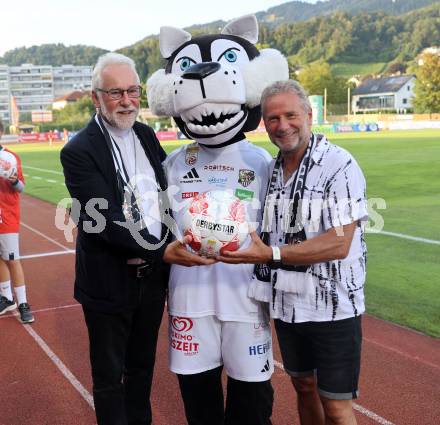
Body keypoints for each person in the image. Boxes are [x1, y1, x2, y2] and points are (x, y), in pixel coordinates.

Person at [60, 52, 213, 425]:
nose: (127, 101)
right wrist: (163, 250)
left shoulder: (145, 134)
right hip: (109, 281)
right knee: (110, 378)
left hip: (151, 281)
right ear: (96, 97)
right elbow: (106, 221)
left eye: (133, 91)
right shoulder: (78, 150)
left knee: (142, 370)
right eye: (116, 93)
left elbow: (166, 196)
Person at [219, 80, 368, 425]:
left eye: (290, 115)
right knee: (302, 386)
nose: (282, 125)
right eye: (273, 118)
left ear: (309, 115)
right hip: (287, 303)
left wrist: (271, 254)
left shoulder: (339, 165)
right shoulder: (272, 170)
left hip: (332, 307)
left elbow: (339, 242)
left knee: (336, 405)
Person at [0, 121, 34, 323]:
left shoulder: (9, 157)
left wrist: (13, 180)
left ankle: (23, 303)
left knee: (13, 259)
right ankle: (6, 298)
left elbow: (21, 187)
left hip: (7, 215)